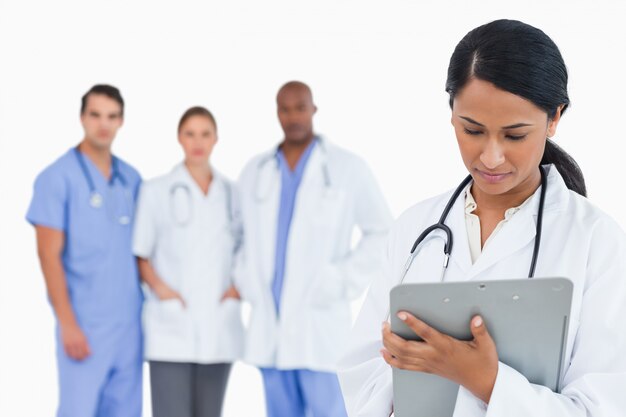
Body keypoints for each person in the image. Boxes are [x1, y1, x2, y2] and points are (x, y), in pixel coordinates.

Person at [338, 19, 626, 417]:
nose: (490, 157)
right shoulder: (415, 228)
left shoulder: (597, 241)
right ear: (452, 113)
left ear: (555, 118)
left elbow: (603, 408)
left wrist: (487, 383)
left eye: (515, 135)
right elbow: (359, 374)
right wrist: (413, 368)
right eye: (472, 130)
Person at [234, 81, 393, 417]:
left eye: (300, 107)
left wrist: (339, 280)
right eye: (285, 108)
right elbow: (237, 236)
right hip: (269, 330)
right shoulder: (254, 172)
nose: (293, 116)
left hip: (318, 326)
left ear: (313, 110)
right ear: (277, 112)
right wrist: (246, 279)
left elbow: (381, 231)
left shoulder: (346, 168)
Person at [26, 84, 143, 417]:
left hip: (129, 326)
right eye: (95, 115)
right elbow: (48, 256)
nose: (103, 124)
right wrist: (67, 323)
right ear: (82, 118)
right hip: (85, 326)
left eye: (112, 116)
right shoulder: (57, 177)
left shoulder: (131, 178)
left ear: (121, 121)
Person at [132, 106, 243, 417]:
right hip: (171, 326)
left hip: (219, 323)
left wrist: (237, 288)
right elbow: (141, 253)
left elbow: (246, 251)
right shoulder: (156, 191)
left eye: (205, 134)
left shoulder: (232, 194)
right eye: (190, 133)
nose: (198, 141)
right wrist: (161, 289)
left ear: (216, 139)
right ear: (179, 138)